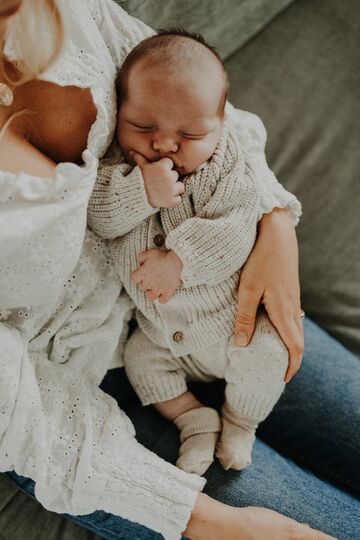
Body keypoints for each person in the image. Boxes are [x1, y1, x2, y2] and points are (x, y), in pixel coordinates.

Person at [0, 1, 359, 539]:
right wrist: (212, 522)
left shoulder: (51, 9)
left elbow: (204, 105)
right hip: (83, 396)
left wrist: (276, 220)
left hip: (223, 301)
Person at [88, 29, 290, 476]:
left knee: (270, 353)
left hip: (234, 329)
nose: (163, 145)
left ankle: (240, 420)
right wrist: (140, 191)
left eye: (190, 134)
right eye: (142, 127)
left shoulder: (224, 168)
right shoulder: (115, 168)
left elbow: (236, 229)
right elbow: (99, 217)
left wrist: (181, 260)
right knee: (140, 360)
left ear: (220, 129)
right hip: (163, 338)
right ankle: (192, 418)